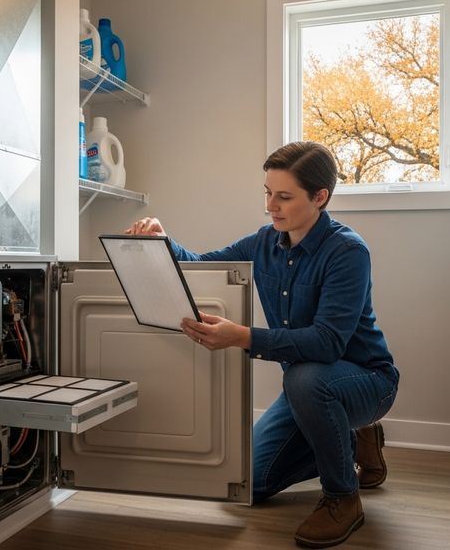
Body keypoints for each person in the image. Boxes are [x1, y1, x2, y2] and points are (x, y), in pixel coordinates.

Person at [126, 141, 399, 548]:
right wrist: (163, 241)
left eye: (284, 197)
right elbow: (205, 265)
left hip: (365, 381)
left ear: (319, 197)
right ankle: (353, 439)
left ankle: (343, 497)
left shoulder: (347, 251)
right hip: (309, 388)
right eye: (268, 193)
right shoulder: (264, 242)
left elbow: (326, 343)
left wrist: (242, 337)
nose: (271, 205)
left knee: (306, 380)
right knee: (248, 482)